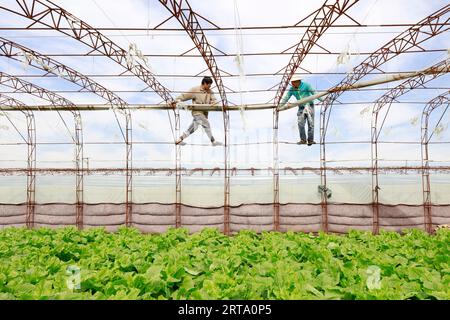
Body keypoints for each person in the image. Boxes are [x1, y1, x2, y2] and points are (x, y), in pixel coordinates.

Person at [173, 76, 223, 146]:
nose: (210, 87)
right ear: (205, 83)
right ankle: (213, 141)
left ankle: (179, 139)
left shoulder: (210, 92)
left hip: (204, 114)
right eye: (209, 85)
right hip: (197, 113)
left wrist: (214, 103)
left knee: (193, 128)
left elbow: (214, 100)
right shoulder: (195, 90)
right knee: (206, 124)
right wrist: (176, 100)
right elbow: (185, 96)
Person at [280, 75, 321, 146]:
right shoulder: (292, 89)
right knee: (300, 124)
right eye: (291, 82)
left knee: (311, 124)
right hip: (301, 107)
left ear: (298, 82)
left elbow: (315, 93)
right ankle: (303, 140)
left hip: (309, 106)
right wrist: (280, 106)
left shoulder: (307, 86)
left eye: (293, 82)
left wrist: (323, 99)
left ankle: (310, 140)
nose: (292, 84)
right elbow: (286, 98)